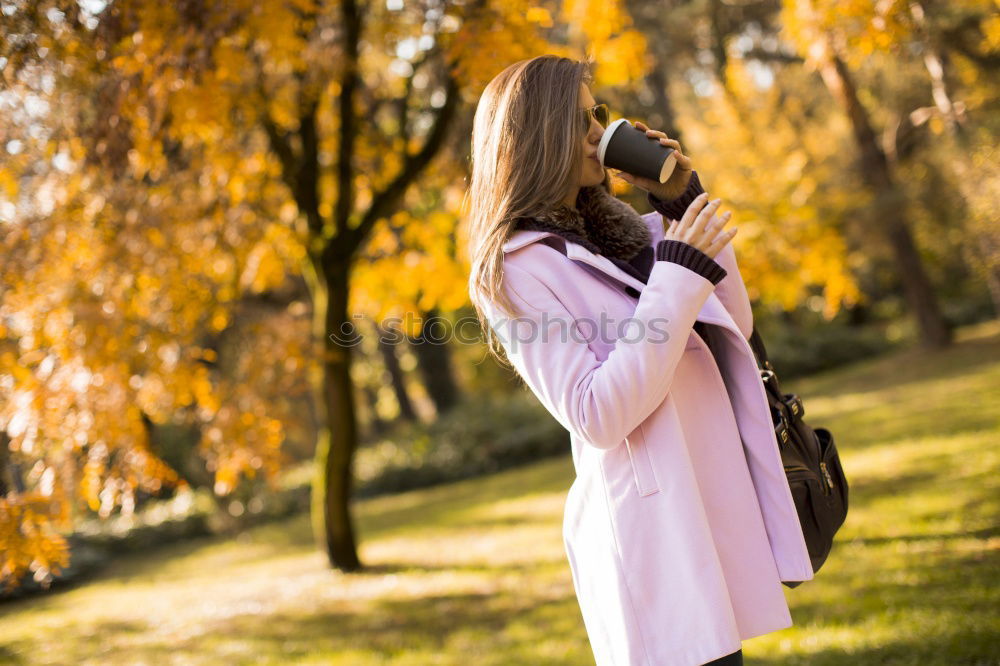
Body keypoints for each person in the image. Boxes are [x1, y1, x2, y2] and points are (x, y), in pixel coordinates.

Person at [464, 55, 814, 666]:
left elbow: (734, 320)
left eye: (597, 113)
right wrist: (676, 273)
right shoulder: (516, 269)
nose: (600, 131)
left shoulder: (631, 232)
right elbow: (595, 413)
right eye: (581, 120)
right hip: (651, 528)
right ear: (541, 136)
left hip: (707, 498)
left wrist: (681, 203)